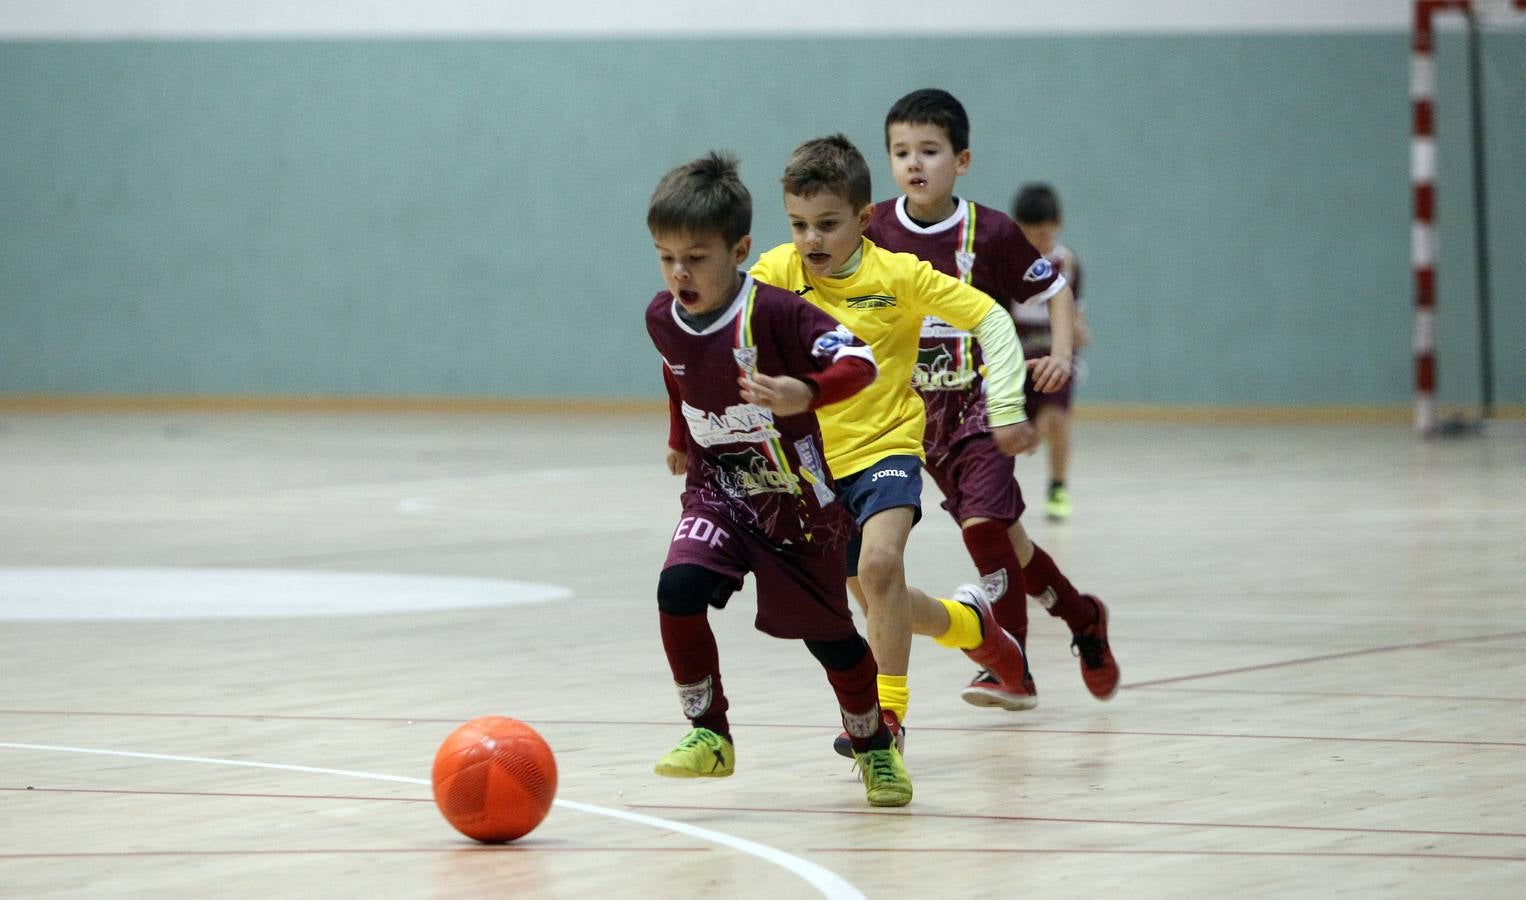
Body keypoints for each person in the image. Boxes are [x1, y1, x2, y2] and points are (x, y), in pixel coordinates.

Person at [749, 134, 1034, 760]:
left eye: (827, 224)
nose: (811, 240)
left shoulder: (899, 275)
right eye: (799, 225)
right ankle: (971, 625)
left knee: (879, 568)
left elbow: (992, 318)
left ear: (864, 217)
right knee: (885, 598)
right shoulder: (773, 274)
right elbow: (724, 333)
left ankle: (888, 723)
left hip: (888, 447)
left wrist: (1008, 405)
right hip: (817, 470)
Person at [644, 152, 913, 807]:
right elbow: (675, 372)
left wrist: (806, 391)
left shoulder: (779, 314)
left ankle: (874, 744)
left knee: (831, 640)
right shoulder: (661, 315)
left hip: (797, 502)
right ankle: (709, 734)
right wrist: (682, 440)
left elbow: (859, 363)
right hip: (720, 490)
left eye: (697, 257)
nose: (680, 272)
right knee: (678, 587)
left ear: (739, 249)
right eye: (666, 256)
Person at [863, 88, 1118, 707]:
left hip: (985, 405)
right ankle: (1084, 618)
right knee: (1012, 542)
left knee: (982, 528)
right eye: (901, 152)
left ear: (963, 160)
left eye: (929, 150)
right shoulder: (873, 228)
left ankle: (1014, 666)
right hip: (915, 415)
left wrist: (1059, 355)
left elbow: (1055, 289)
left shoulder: (991, 232)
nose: (915, 163)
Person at [1011, 182, 1089, 522]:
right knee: (1009, 430)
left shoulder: (1067, 262)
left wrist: (1078, 330)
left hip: (1056, 354)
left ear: (1058, 224)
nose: (1039, 239)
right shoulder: (1009, 262)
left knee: (1056, 420)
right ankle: (998, 494)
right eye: (1030, 233)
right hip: (1017, 358)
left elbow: (1075, 310)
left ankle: (1058, 486)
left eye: (1044, 232)